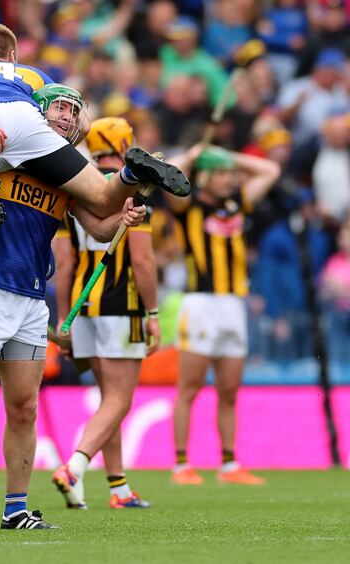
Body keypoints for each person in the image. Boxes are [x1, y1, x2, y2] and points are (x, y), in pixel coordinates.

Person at [0, 82, 147, 531]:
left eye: (73, 110)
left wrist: (126, 218)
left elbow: (99, 227)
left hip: (32, 298)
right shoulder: (4, 151)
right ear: (39, 112)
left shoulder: (67, 172)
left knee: (24, 407)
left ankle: (15, 508)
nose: (65, 115)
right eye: (58, 106)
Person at [0, 23, 189, 254]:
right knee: (105, 197)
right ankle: (130, 173)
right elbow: (84, 125)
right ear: (13, 57)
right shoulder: (31, 74)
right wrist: (48, 155)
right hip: (27, 125)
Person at [51, 117, 160, 510]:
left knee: (106, 399)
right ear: (128, 143)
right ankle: (74, 468)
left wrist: (64, 319)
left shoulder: (77, 188)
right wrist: (153, 312)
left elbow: (63, 266)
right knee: (119, 400)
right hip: (120, 305)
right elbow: (143, 261)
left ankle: (118, 488)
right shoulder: (135, 190)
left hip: (83, 308)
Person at [166, 145, 280, 485]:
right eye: (223, 172)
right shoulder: (188, 205)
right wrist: (194, 154)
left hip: (233, 304)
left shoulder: (237, 203)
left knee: (229, 390)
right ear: (205, 177)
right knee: (190, 387)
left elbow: (270, 171)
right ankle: (181, 464)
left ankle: (229, 464)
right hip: (201, 304)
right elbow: (166, 174)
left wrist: (224, 153)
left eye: (231, 173)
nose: (230, 178)